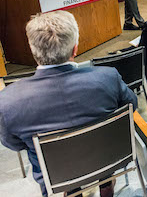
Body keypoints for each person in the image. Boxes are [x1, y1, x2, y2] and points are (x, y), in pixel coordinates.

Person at [0, 11, 137, 197]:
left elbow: (13, 143)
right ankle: (106, 185)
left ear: (34, 52)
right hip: (107, 160)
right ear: (75, 49)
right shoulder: (108, 77)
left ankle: (72, 189)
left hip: (56, 175)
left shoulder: (8, 101)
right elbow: (132, 106)